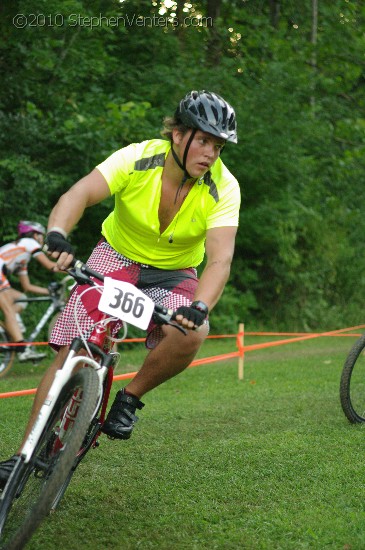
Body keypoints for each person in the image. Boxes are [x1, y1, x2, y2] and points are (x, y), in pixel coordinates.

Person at [0, 90, 240, 488]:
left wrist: (200, 304)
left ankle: (128, 399)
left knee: (195, 331)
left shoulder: (223, 187)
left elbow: (219, 259)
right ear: (178, 135)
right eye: (203, 140)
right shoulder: (138, 156)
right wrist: (57, 234)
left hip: (174, 272)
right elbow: (79, 194)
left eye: (218, 146)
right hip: (118, 257)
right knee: (74, 351)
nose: (211, 153)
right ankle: (22, 454)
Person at [0, 220, 57, 361]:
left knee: (21, 298)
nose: (41, 239)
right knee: (8, 309)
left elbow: (27, 287)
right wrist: (73, 269)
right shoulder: (28, 242)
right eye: (41, 236)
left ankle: (12, 327)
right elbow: (50, 265)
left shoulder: (22, 257)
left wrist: (49, 292)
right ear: (35, 234)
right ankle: (22, 349)